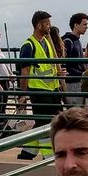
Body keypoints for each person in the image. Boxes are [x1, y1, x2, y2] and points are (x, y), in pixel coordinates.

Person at [19, 11, 64, 158]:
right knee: (46, 125)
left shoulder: (47, 42)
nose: (49, 26)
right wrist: (23, 94)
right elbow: (24, 72)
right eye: (47, 23)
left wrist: (58, 75)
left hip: (53, 89)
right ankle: (49, 156)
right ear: (39, 25)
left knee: (51, 122)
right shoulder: (28, 45)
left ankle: (28, 152)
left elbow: (49, 66)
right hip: (39, 91)